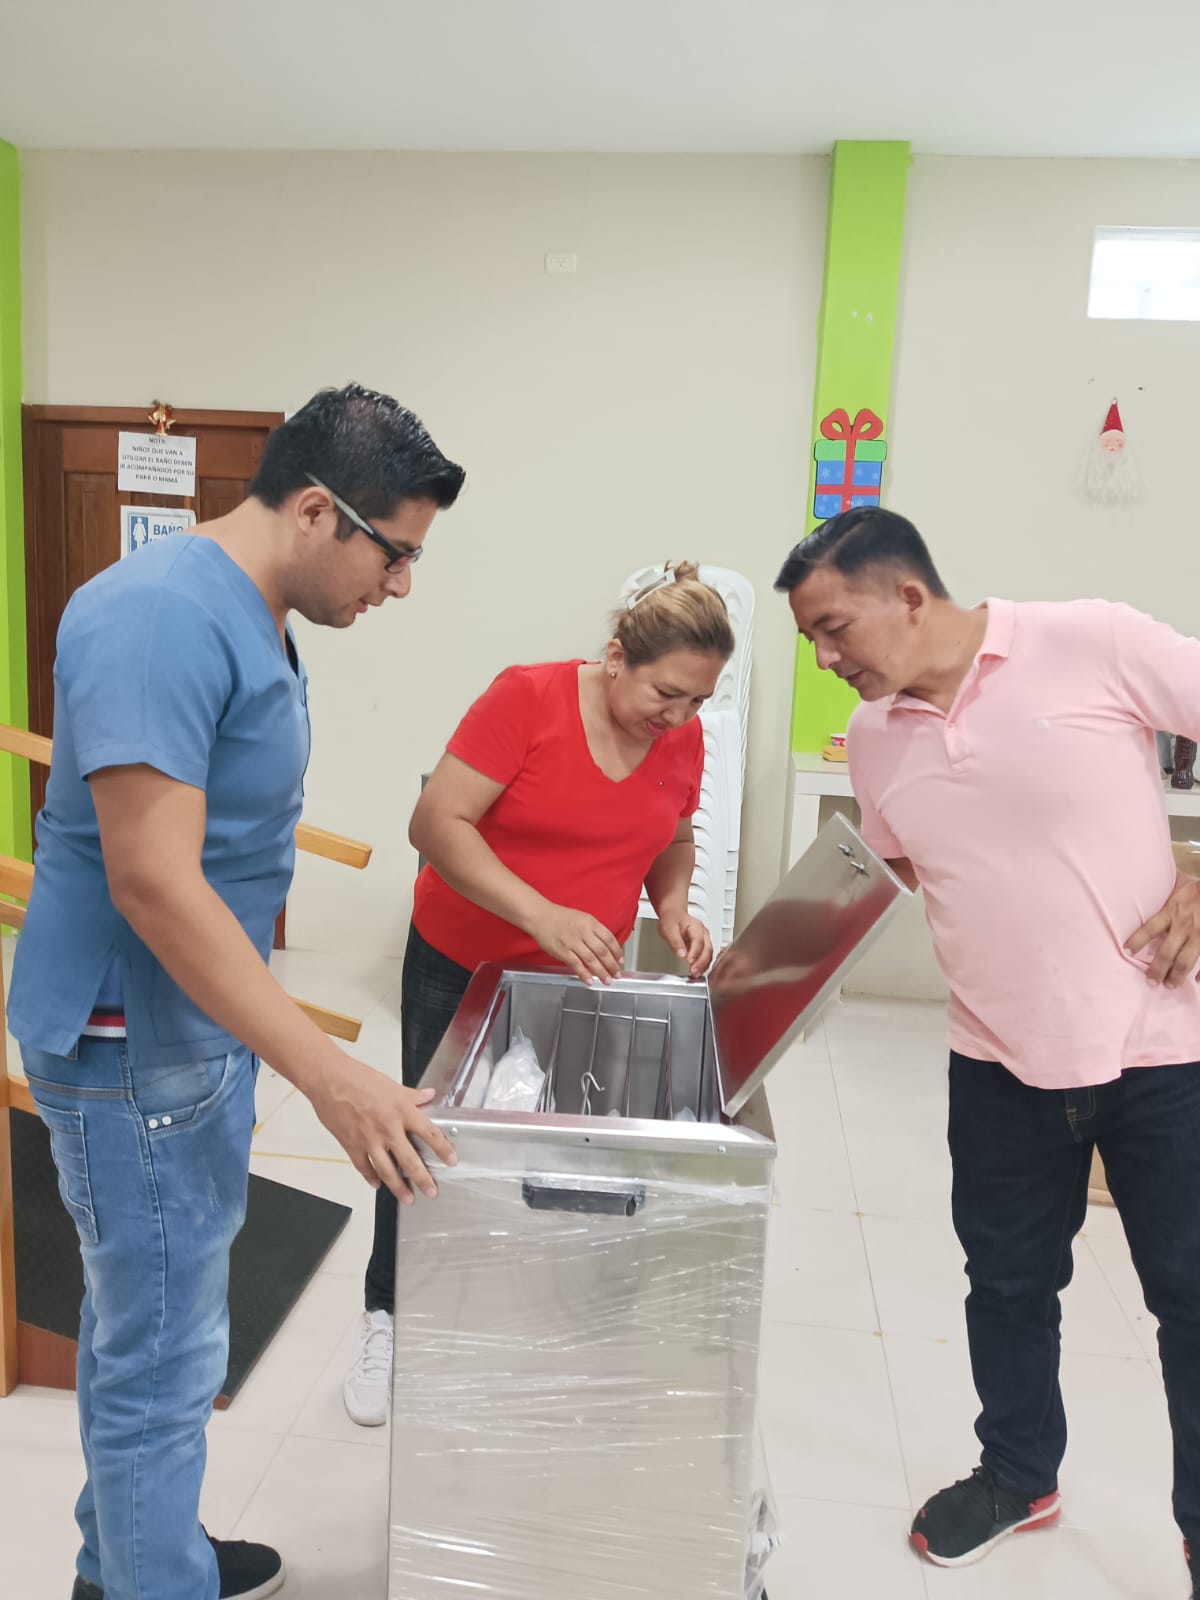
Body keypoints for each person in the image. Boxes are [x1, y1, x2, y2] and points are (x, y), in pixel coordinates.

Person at [7, 385, 465, 1600]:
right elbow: (154, 883)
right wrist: (331, 1075)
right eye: (396, 552)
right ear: (317, 511)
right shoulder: (160, 615)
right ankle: (149, 1577)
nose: (400, 585)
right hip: (133, 1041)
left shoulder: (248, 611)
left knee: (155, 1329)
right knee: (163, 1353)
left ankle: (130, 1560)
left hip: (187, 1027)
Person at [776, 507, 1200, 1594]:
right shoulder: (877, 737)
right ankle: (1019, 1474)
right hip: (997, 1059)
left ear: (908, 595)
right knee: (1007, 1286)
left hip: (1162, 1052)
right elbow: (890, 871)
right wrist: (753, 983)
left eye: (833, 629)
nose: (825, 660)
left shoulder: (1091, 639)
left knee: (1191, 1302)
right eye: (810, 641)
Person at [343, 563, 735, 1425]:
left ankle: (527, 1305)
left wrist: (674, 906)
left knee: (560, 1140)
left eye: (698, 701)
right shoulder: (527, 699)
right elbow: (435, 823)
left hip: (579, 971)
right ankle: (388, 1314)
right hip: (465, 958)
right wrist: (540, 913)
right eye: (666, 693)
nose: (678, 717)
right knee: (423, 1134)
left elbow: (672, 836)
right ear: (616, 657)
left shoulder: (680, 734)